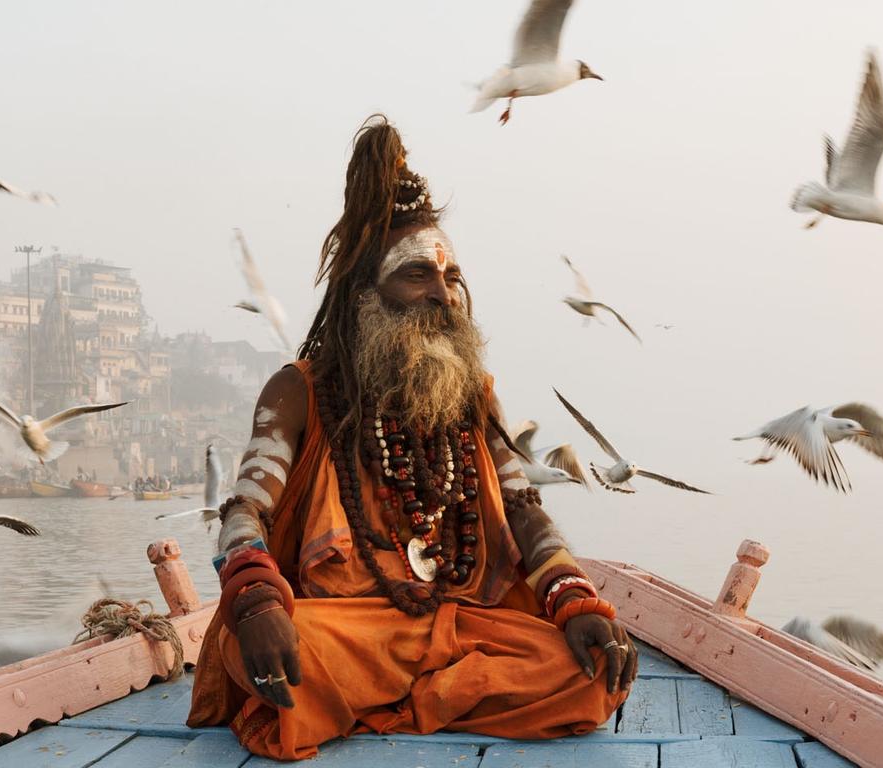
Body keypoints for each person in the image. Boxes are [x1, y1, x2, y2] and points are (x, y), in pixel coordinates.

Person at [187, 115, 637, 760]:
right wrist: (256, 603)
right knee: (272, 645)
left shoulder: (473, 395)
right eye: (417, 275)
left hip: (457, 625)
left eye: (451, 277)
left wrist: (574, 601)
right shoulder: (300, 389)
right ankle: (436, 697)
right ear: (364, 293)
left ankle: (392, 703)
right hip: (345, 631)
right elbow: (245, 509)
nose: (444, 296)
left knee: (587, 670)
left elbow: (522, 508)